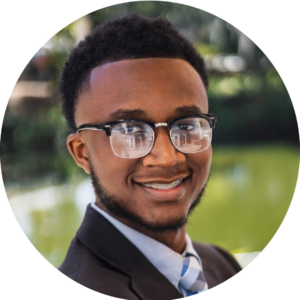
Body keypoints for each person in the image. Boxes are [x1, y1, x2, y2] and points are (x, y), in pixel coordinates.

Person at [58, 15, 241, 299]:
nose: (168, 157)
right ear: (82, 153)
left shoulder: (221, 264)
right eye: (130, 130)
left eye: (186, 124)